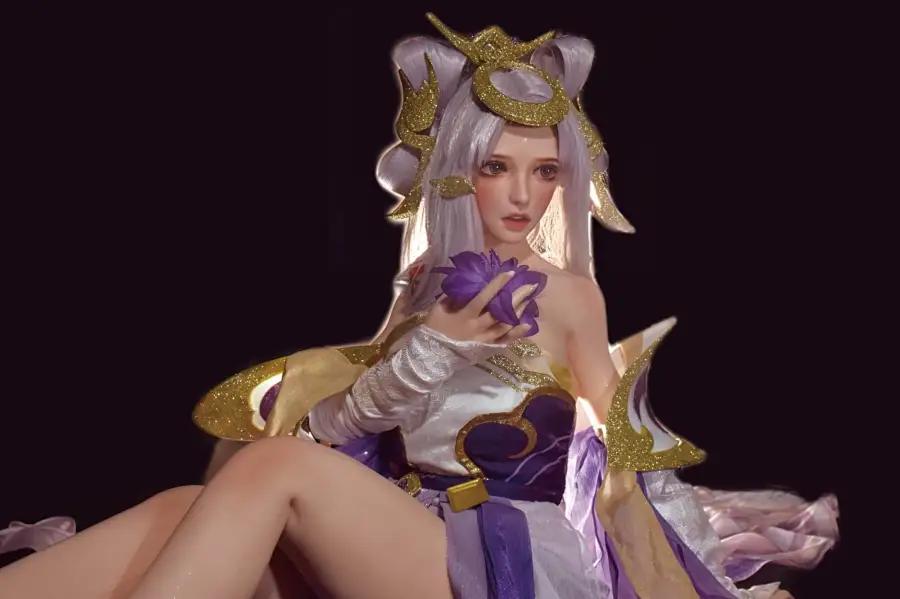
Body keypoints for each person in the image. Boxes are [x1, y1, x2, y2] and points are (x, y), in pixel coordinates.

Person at [0, 13, 838, 599]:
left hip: (501, 562)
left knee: (270, 467)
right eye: (497, 167)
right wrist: (432, 342)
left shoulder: (571, 293)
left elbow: (621, 458)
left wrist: (679, 568)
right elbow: (337, 428)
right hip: (400, 529)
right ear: (457, 173)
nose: (523, 194)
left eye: (544, 171)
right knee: (182, 507)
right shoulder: (424, 285)